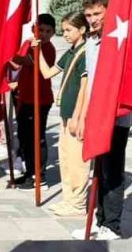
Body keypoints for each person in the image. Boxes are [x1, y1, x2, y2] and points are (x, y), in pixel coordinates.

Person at [69, 0, 128, 241]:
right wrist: (82, 117)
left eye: (97, 13)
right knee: (99, 170)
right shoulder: (92, 43)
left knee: (112, 172)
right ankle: (99, 218)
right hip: (95, 115)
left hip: (115, 117)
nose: (92, 19)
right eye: (88, 15)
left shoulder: (119, 40)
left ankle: (112, 225)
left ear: (108, 11)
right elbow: (89, 83)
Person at [28, 12, 89, 215]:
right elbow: (47, 73)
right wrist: (37, 51)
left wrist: (78, 116)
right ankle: (68, 198)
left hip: (75, 115)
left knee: (77, 161)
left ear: (82, 29)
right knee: (65, 158)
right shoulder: (71, 52)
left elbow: (84, 88)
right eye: (64, 30)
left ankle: (78, 203)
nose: (65, 34)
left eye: (69, 30)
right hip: (65, 113)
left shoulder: (85, 53)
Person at [9, 13, 57, 186]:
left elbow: (27, 61)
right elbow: (18, 64)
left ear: (53, 33)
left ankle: (39, 175)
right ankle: (29, 171)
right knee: (24, 137)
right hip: (25, 97)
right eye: (40, 30)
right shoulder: (29, 44)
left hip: (40, 100)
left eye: (47, 31)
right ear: (33, 29)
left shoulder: (48, 49)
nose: (43, 34)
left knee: (37, 138)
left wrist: (7, 52)